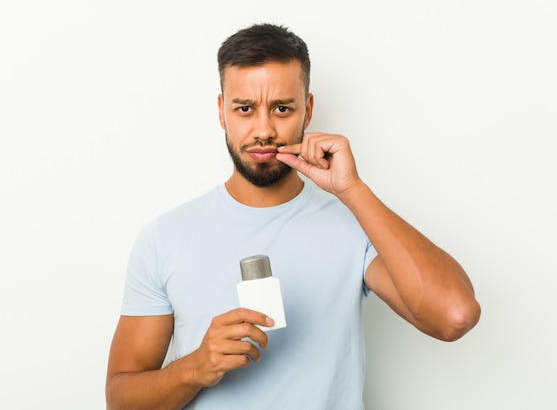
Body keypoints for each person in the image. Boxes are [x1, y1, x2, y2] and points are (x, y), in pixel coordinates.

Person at [105, 23, 481, 410]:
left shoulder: (355, 224)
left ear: (308, 110)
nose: (264, 130)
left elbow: (455, 315)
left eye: (282, 108)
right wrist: (194, 368)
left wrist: (352, 190)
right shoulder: (165, 238)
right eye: (245, 109)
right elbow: (120, 400)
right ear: (222, 112)